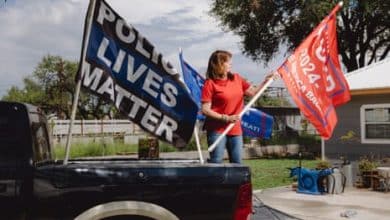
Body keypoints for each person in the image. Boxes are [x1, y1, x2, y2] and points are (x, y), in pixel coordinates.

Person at [201, 50, 269, 164]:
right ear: (219, 65)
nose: (231, 64)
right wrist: (225, 118)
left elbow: (252, 92)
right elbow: (205, 110)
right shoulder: (210, 84)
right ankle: (214, 182)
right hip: (216, 130)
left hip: (235, 129)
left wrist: (266, 81)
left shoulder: (237, 78)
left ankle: (235, 183)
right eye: (227, 62)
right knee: (216, 163)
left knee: (237, 164)